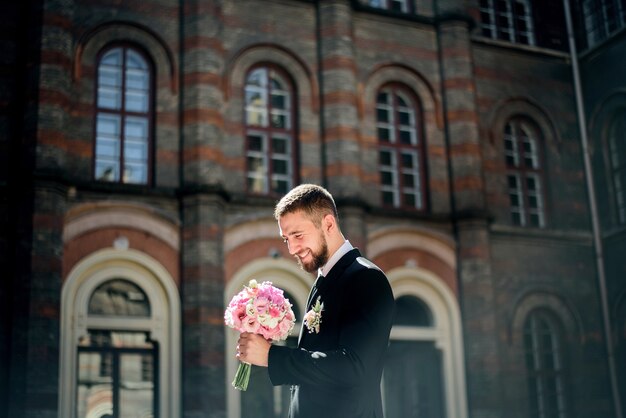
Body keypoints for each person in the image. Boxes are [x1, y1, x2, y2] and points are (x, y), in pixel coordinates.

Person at [236, 184, 395, 418]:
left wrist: (272, 356)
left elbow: (354, 368)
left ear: (328, 224)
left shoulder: (366, 278)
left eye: (298, 235)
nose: (292, 248)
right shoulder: (323, 281)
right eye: (286, 239)